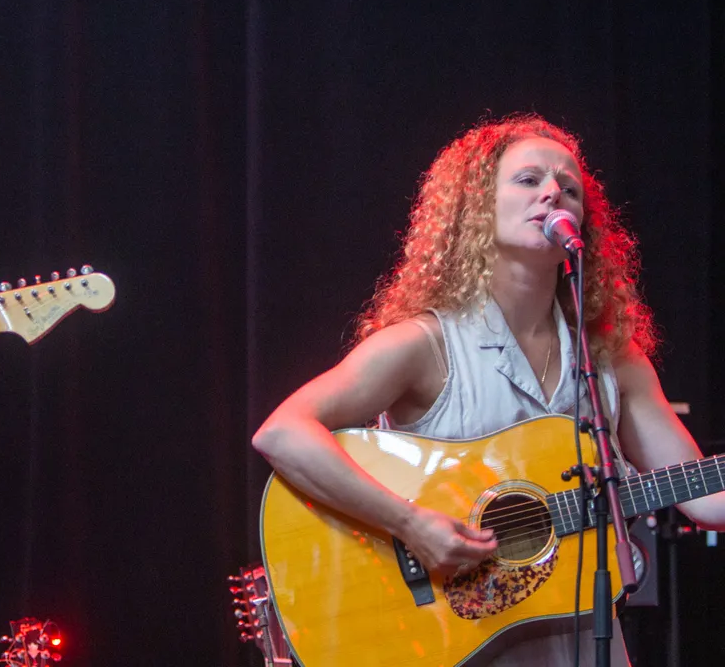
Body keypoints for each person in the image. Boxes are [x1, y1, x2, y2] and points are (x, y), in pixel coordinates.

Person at [251, 114, 725, 666]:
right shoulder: (425, 344)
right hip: (450, 641)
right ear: (476, 207)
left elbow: (705, 498)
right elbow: (283, 433)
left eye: (570, 188)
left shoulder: (613, 359)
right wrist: (409, 523)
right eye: (529, 180)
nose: (554, 192)